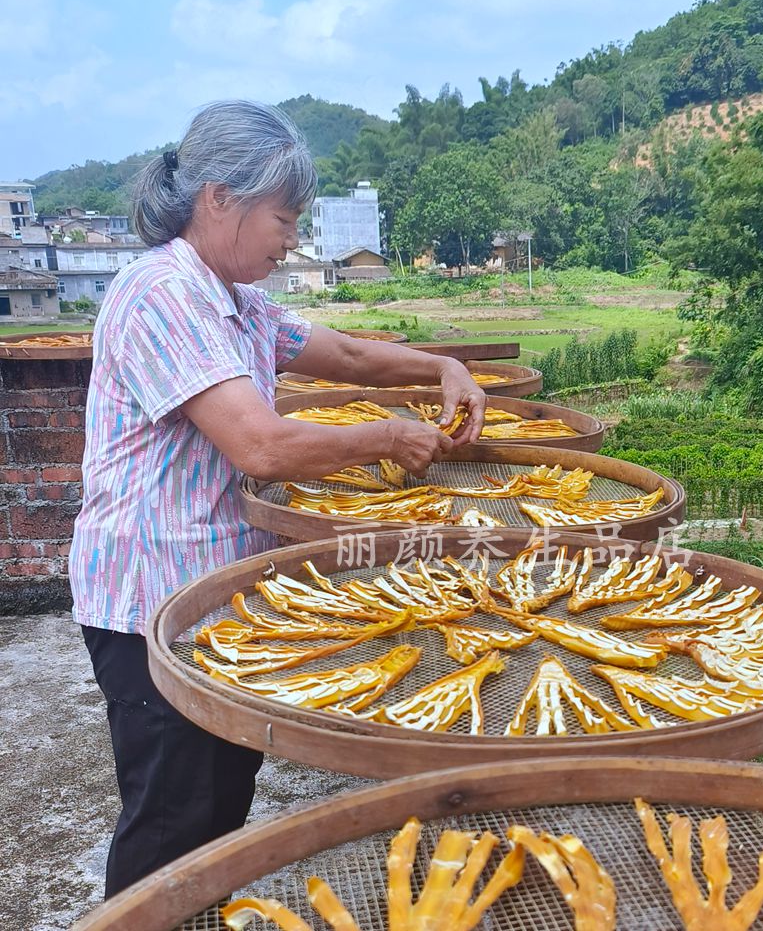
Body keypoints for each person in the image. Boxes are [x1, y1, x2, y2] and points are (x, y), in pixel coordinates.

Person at [69, 99, 486, 898]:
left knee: (221, 803)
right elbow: (259, 444)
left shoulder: (239, 303)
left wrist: (441, 367)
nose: (291, 237)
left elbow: (352, 354)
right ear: (219, 197)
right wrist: (385, 439)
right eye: (283, 217)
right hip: (148, 603)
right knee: (170, 824)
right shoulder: (162, 294)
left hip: (216, 601)